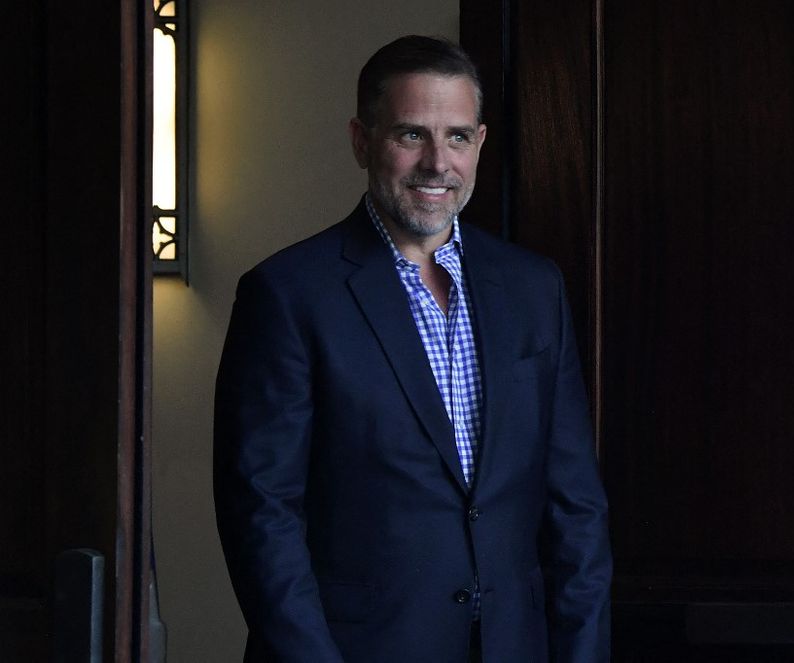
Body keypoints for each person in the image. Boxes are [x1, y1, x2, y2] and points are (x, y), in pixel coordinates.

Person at [213, 35, 611, 663]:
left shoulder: (535, 287)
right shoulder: (288, 295)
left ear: (480, 143)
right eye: (410, 135)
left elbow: (576, 506)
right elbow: (262, 516)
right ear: (361, 140)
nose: (437, 163)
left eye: (456, 136)